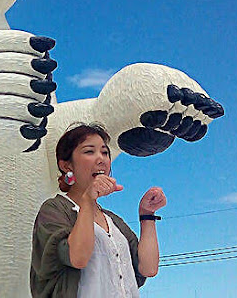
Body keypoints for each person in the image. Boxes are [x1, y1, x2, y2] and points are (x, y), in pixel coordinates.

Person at [30, 124, 166, 297]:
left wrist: (147, 214)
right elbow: (78, 257)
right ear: (66, 166)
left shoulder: (113, 220)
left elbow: (148, 268)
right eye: (89, 151)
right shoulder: (54, 209)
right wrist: (87, 200)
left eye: (105, 152)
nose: (101, 159)